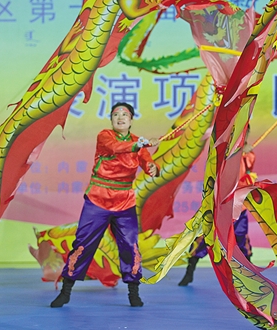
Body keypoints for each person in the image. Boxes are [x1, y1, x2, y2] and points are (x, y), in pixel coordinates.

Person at [50, 102, 159, 308]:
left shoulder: (138, 143)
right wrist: (138, 145)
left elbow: (148, 163)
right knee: (83, 244)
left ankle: (133, 292)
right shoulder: (105, 136)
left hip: (124, 201)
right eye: (116, 114)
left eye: (125, 115)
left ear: (131, 120)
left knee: (130, 245)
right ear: (111, 119)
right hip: (98, 199)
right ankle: (66, 291)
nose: (120, 118)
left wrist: (153, 168)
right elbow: (115, 148)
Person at [178, 125, 255, 286]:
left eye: (244, 132)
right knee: (205, 238)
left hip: (238, 206)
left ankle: (250, 277)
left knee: (241, 239)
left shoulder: (248, 154)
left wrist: (246, 153)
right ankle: (190, 270)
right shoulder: (221, 152)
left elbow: (246, 177)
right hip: (219, 205)